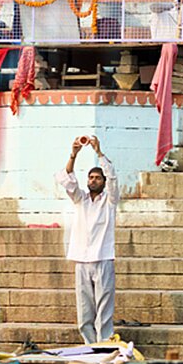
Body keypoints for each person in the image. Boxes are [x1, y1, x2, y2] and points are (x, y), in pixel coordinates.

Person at [55, 136, 119, 344]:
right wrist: (73, 154)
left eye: (97, 178)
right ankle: (90, 346)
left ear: (103, 182)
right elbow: (67, 179)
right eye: (91, 177)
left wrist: (99, 153)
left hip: (102, 259)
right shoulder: (80, 199)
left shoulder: (109, 201)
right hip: (81, 260)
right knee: (84, 309)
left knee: (104, 307)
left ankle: (104, 344)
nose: (93, 180)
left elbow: (113, 177)